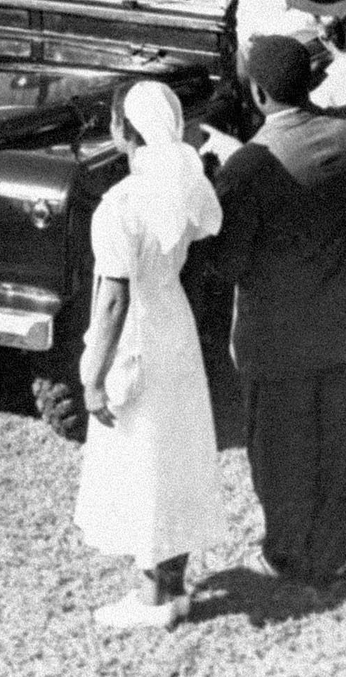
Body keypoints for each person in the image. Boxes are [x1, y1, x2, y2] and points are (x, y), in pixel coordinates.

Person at [204, 34, 346, 586]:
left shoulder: (248, 166)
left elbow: (228, 263)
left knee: (279, 452)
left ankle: (285, 552)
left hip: (274, 337)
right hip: (343, 322)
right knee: (340, 442)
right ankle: (334, 550)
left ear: (256, 92)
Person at [73, 79, 227, 631]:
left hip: (140, 330)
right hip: (173, 324)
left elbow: (112, 302)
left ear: (121, 132)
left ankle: (151, 598)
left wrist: (92, 375)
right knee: (174, 451)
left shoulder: (120, 205)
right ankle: (174, 586)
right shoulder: (182, 188)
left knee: (140, 458)